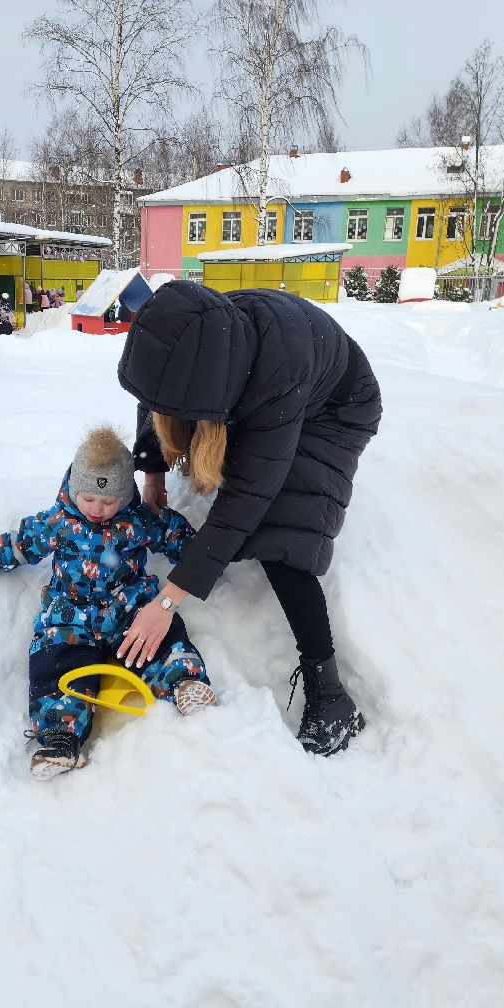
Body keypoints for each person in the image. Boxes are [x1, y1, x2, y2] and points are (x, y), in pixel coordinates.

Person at [115, 280, 382, 756]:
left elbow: (245, 503)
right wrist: (152, 474)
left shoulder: (274, 377)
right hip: (268, 388)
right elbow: (157, 396)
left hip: (334, 410)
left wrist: (166, 603)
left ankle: (332, 694)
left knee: (282, 530)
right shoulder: (194, 338)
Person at [0, 425, 217, 778]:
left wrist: (195, 549)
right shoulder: (59, 521)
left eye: (109, 501)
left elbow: (173, 534)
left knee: (161, 638)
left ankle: (185, 682)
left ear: (125, 496)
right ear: (73, 488)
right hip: (71, 615)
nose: (98, 508)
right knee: (55, 661)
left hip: (128, 606)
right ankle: (60, 738)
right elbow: (24, 541)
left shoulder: (139, 521)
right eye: (89, 498)